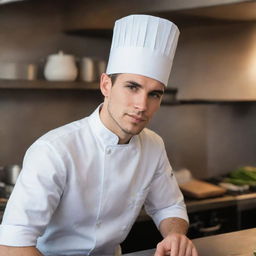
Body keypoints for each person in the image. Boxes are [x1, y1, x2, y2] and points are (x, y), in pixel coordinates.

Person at [0, 14, 198, 256]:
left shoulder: (153, 145)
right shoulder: (54, 150)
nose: (142, 105)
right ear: (106, 85)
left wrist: (175, 234)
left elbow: (169, 207)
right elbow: (12, 246)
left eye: (154, 94)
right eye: (132, 87)